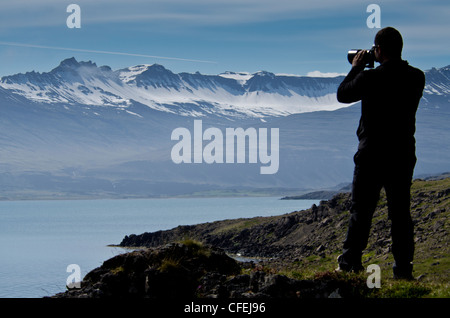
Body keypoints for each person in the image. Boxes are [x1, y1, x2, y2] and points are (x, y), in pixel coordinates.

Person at [336, 27, 425, 280]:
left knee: (362, 210)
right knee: (400, 213)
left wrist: (357, 66)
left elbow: (342, 94)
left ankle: (350, 262)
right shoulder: (416, 77)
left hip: (371, 154)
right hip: (402, 154)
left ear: (378, 50)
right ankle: (403, 270)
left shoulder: (370, 78)